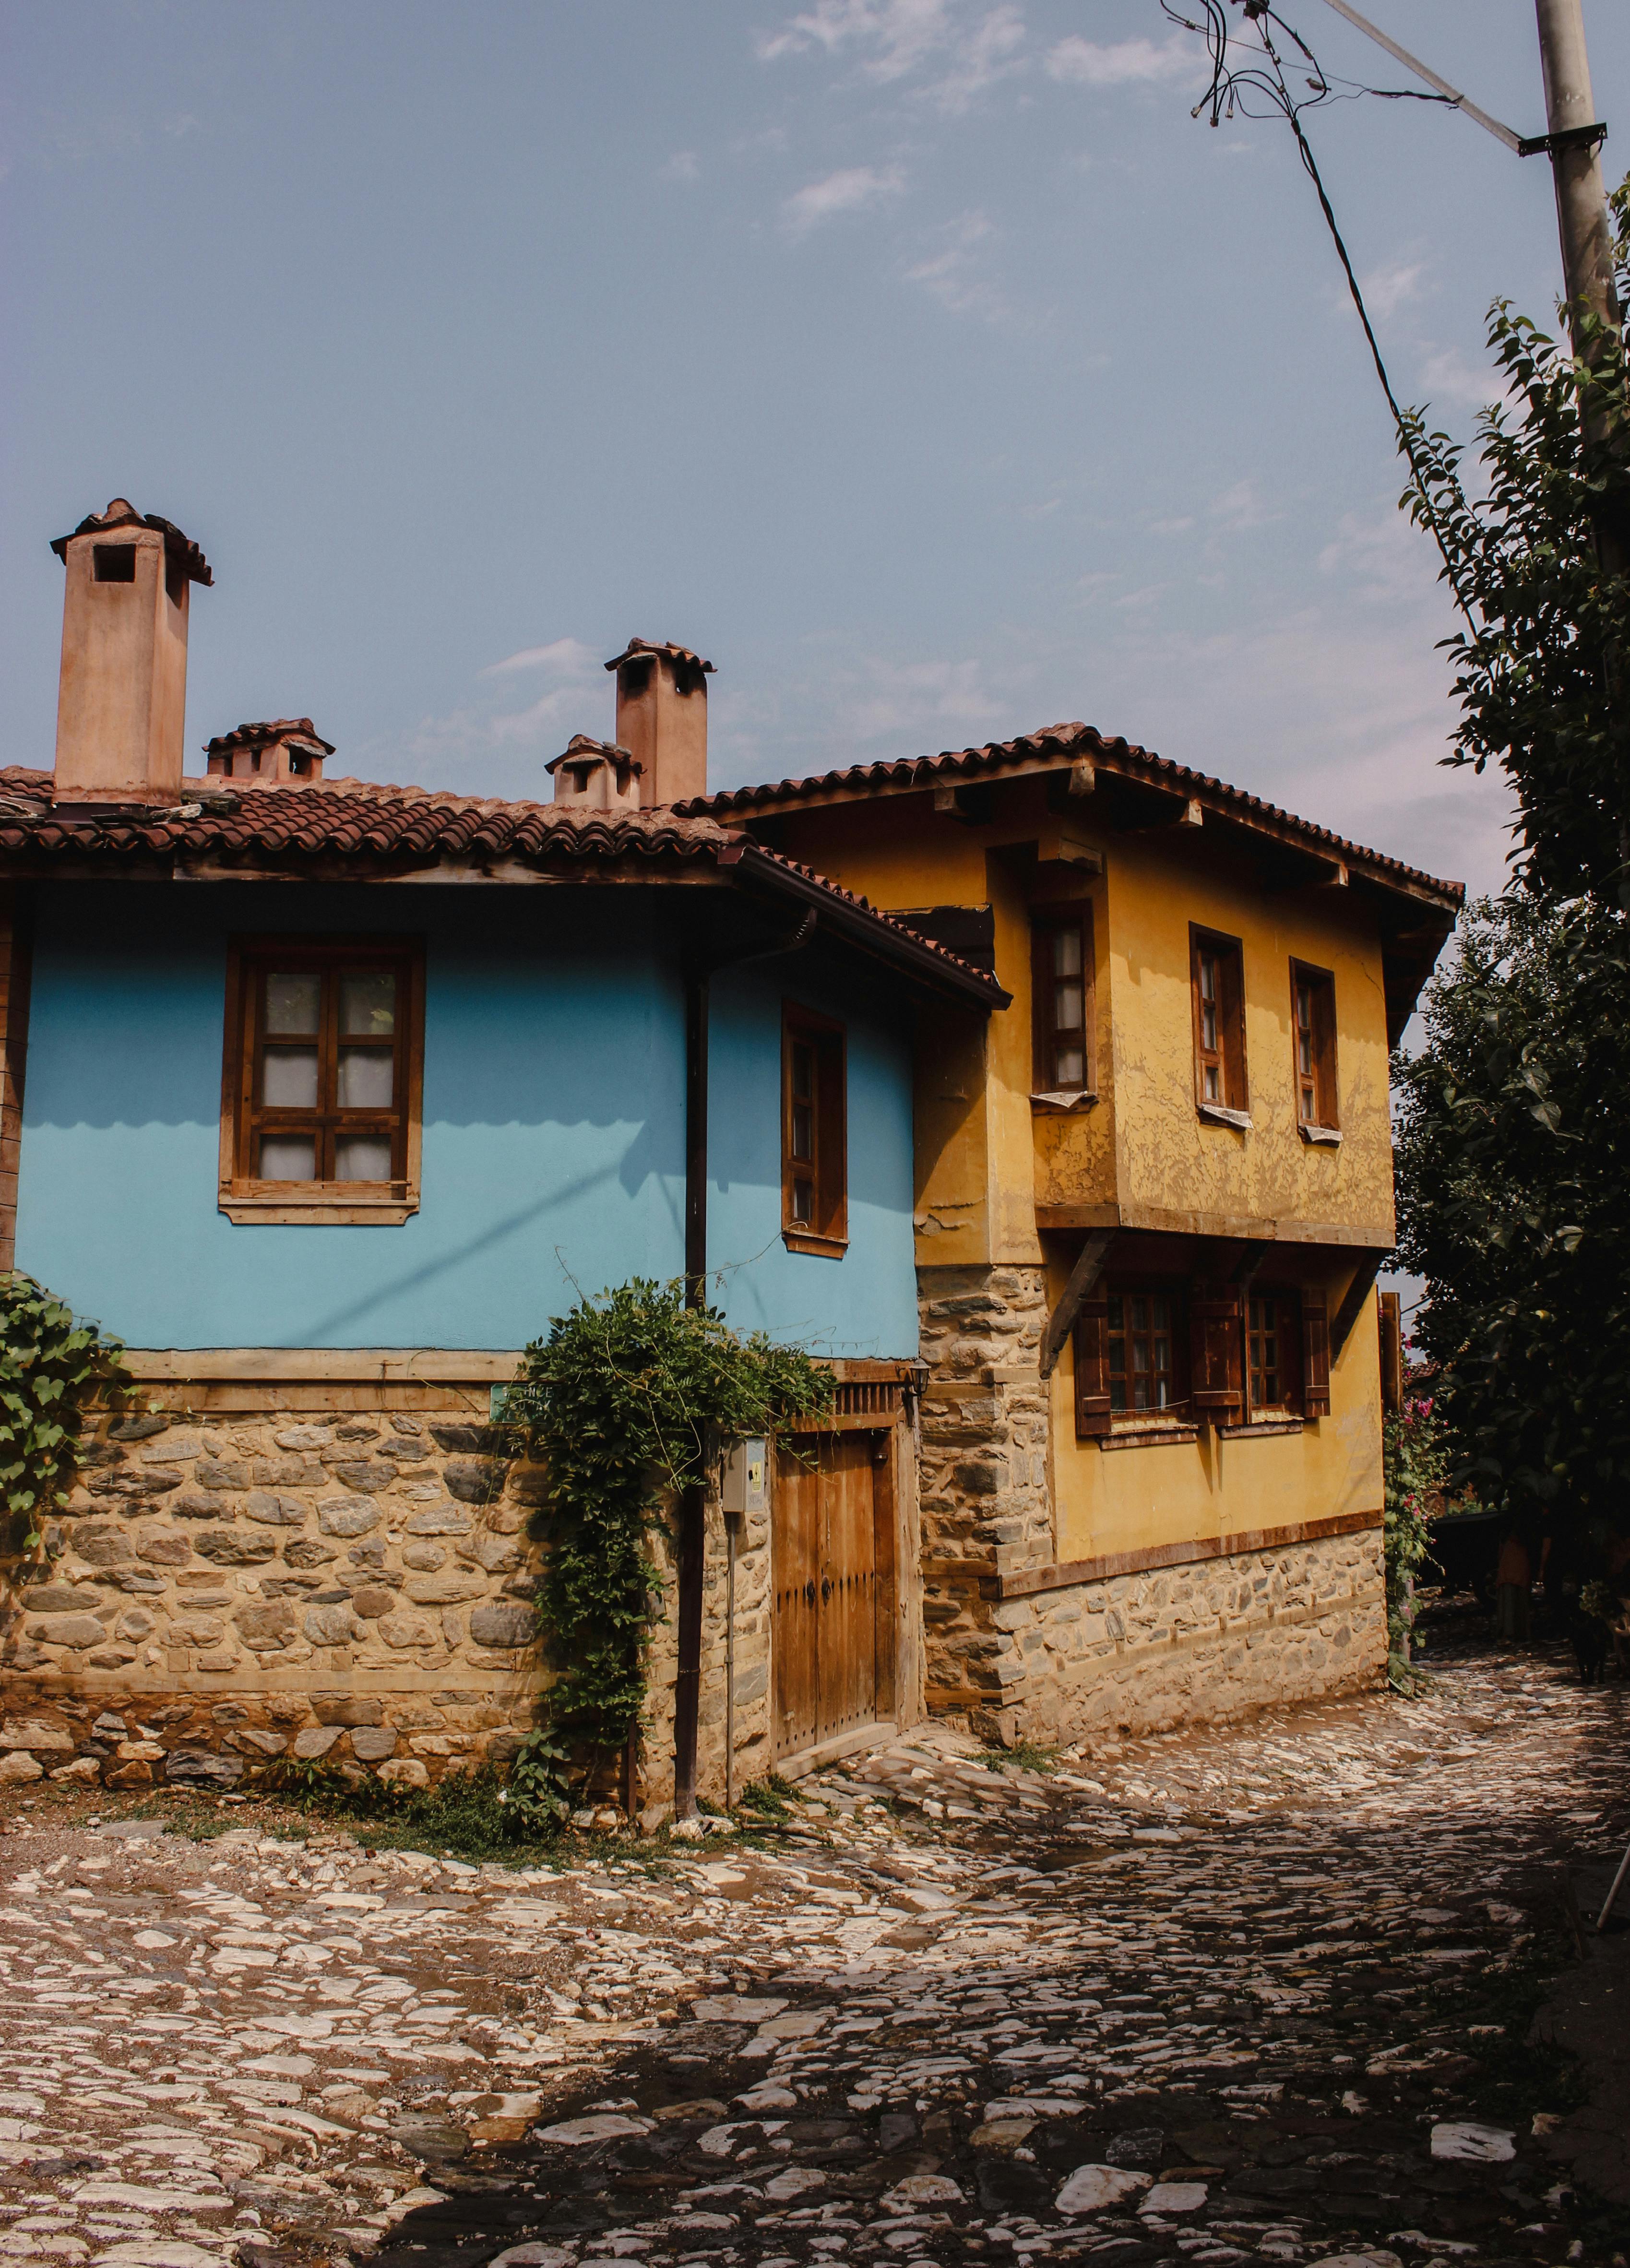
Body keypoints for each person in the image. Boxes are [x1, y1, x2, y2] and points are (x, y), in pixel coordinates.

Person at [1494, 1526, 1532, 1641]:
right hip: (1518, 1571)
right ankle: (1520, 1632)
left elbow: (1500, 1554)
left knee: (1509, 1603)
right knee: (1520, 1603)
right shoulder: (1523, 1536)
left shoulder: (1507, 1537)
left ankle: (1509, 1632)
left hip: (1509, 1572)